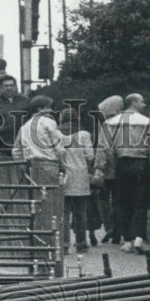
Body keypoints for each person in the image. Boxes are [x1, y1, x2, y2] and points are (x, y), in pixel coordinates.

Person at [106, 93, 150, 254]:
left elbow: (108, 149)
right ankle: (139, 237)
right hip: (141, 164)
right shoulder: (146, 122)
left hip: (122, 164)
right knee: (141, 202)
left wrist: (113, 162)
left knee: (124, 202)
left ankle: (127, 240)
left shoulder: (113, 122)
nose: (144, 105)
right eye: (142, 102)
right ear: (134, 103)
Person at [13, 95, 67, 251]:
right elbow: (58, 147)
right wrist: (63, 164)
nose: (51, 110)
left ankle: (38, 239)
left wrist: (22, 166)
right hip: (49, 164)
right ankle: (54, 242)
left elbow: (16, 150)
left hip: (31, 166)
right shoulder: (48, 122)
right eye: (48, 107)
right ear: (40, 109)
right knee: (53, 203)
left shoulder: (24, 127)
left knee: (37, 203)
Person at [58, 108, 95, 253]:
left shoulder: (57, 134)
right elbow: (90, 155)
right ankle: (81, 242)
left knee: (64, 213)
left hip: (64, 175)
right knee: (80, 212)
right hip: (80, 176)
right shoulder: (84, 134)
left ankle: (64, 244)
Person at [91, 94, 124, 244]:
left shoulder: (107, 124)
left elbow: (102, 148)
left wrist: (99, 167)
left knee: (102, 198)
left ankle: (110, 227)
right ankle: (119, 230)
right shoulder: (126, 122)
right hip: (123, 167)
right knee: (118, 200)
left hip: (108, 169)